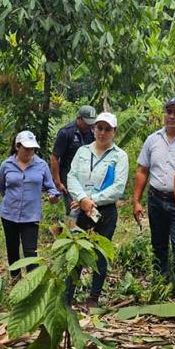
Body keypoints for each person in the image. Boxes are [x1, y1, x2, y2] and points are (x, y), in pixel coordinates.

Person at [66, 112, 129, 307]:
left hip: (105, 211)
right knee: (75, 250)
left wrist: (90, 200)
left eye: (107, 129)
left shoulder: (120, 156)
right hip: (81, 210)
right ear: (94, 129)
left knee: (101, 252)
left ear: (114, 132)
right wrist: (82, 198)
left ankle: (93, 297)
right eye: (99, 128)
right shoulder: (83, 152)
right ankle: (68, 295)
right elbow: (72, 176)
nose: (102, 133)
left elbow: (118, 187)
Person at [132, 97, 175, 301]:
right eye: (169, 111)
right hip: (156, 198)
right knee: (158, 245)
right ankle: (161, 285)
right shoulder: (153, 140)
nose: (172, 116)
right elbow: (142, 171)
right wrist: (136, 200)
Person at [0, 130, 61, 281]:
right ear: (17, 146)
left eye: (32, 149)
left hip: (31, 216)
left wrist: (53, 196)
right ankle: (15, 279)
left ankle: (32, 283)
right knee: (12, 249)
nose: (30, 152)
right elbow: (1, 187)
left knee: (30, 251)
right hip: (9, 214)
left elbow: (51, 187)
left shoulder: (41, 165)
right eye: (26, 148)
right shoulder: (6, 165)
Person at [51, 105, 97, 213]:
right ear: (79, 119)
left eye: (91, 123)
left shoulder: (93, 132)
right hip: (69, 175)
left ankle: (90, 229)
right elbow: (54, 158)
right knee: (73, 207)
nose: (89, 126)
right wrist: (57, 182)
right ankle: (71, 229)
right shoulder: (66, 133)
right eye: (87, 123)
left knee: (89, 202)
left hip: (88, 176)